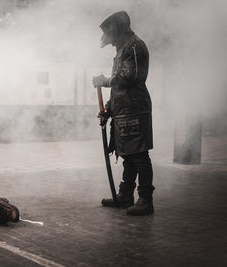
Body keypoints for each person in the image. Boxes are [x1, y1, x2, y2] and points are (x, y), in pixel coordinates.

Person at [92, 11, 154, 216]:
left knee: (139, 156)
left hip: (135, 109)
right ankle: (126, 196)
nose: (109, 42)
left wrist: (105, 81)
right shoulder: (121, 49)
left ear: (118, 31)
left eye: (111, 37)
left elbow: (128, 77)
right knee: (128, 156)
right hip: (123, 110)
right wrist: (108, 110)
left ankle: (145, 199)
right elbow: (118, 88)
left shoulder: (135, 46)